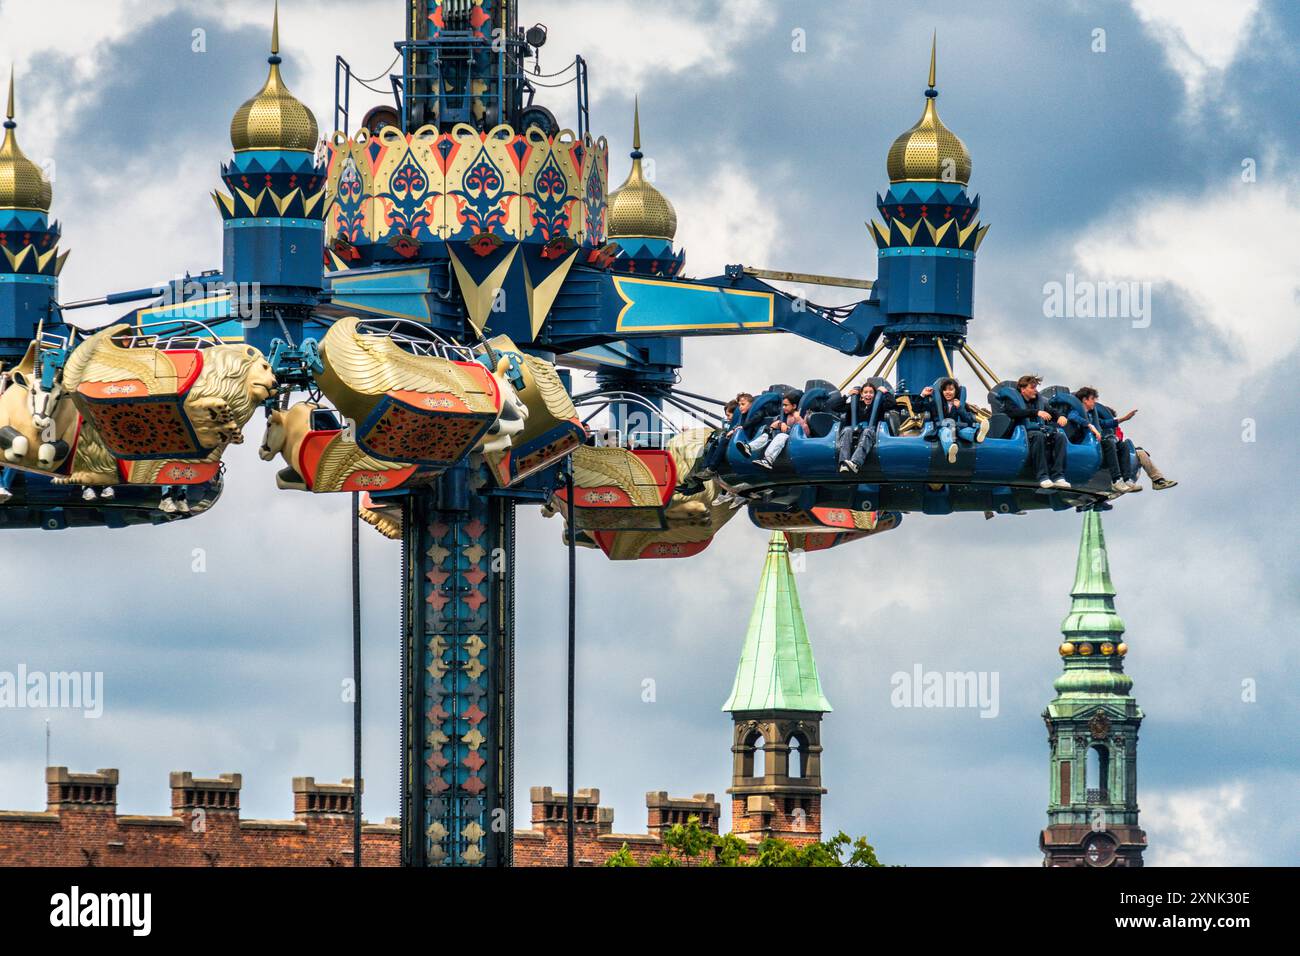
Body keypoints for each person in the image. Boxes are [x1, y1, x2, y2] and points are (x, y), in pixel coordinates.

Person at [999, 375, 1069, 489]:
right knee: (1038, 436)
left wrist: (1061, 416)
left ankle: (1058, 476)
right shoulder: (1011, 400)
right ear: (1023, 389)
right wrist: (1035, 412)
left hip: (1038, 430)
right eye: (1032, 387)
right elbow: (1013, 412)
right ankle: (1042, 476)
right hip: (1021, 434)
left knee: (1060, 437)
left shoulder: (1038, 401)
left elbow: (1052, 411)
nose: (1035, 390)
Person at [1072, 387, 1135, 492]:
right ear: (1084, 400)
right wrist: (1088, 425)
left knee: (1122, 445)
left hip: (1096, 442)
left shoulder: (1092, 415)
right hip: (1083, 443)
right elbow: (1072, 416)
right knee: (1109, 443)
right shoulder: (1076, 411)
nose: (1095, 402)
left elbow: (1104, 423)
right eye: (1092, 399)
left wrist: (1124, 418)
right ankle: (1116, 480)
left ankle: (1127, 479)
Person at [826, 382, 897, 473]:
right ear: (862, 395)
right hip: (855, 432)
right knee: (847, 429)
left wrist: (886, 392)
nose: (868, 395)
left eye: (871, 392)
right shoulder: (855, 405)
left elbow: (892, 404)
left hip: (871, 434)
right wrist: (847, 395)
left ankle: (855, 463)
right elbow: (835, 407)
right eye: (865, 392)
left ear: (874, 395)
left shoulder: (879, 406)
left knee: (867, 431)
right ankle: (844, 463)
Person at [920, 378, 990, 464]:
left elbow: (969, 420)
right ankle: (950, 451)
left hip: (958, 429)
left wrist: (960, 408)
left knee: (965, 431)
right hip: (942, 428)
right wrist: (923, 395)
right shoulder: (935, 404)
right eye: (945, 390)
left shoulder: (962, 405)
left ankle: (977, 434)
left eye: (950, 389)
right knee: (945, 432)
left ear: (956, 391)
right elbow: (917, 409)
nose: (947, 392)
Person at [739, 390, 804, 469]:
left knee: (781, 436)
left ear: (794, 406)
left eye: (786, 405)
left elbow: (806, 431)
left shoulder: (799, 416)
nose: (783, 408)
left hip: (793, 440)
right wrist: (779, 424)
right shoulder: (785, 416)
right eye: (783, 405)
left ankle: (768, 460)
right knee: (767, 434)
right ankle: (749, 447)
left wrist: (798, 419)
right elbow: (774, 425)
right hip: (784, 438)